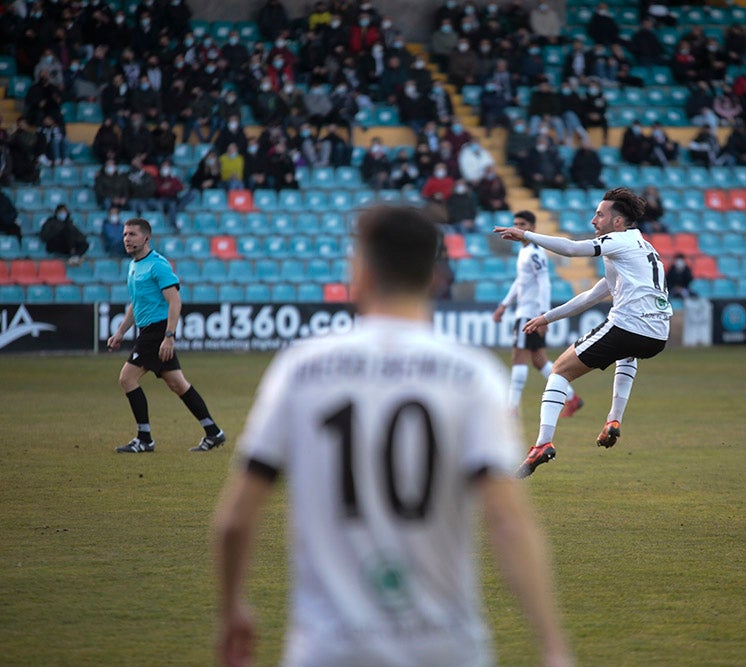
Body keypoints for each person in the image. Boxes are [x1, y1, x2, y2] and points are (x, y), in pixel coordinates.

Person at [212, 205, 573, 667]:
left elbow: (235, 520)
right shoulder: (471, 375)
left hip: (329, 650)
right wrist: (554, 649)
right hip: (445, 648)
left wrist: (231, 608)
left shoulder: (300, 370)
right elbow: (508, 522)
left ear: (358, 273)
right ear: (436, 279)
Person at [494, 187, 671, 477]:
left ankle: (542, 444)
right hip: (658, 335)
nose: (593, 220)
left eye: (600, 215)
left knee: (560, 371)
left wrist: (526, 235)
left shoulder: (617, 241)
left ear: (617, 222)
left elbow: (573, 249)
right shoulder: (643, 248)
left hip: (630, 324)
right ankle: (614, 420)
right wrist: (547, 317)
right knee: (629, 353)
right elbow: (591, 296)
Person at [107, 217, 226, 454]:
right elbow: (136, 304)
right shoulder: (133, 266)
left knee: (127, 379)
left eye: (132, 234)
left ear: (146, 238)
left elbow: (175, 301)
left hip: (157, 331)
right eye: (124, 235)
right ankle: (213, 432)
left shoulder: (158, 265)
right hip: (149, 330)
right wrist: (120, 332)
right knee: (177, 384)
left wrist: (168, 336)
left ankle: (144, 439)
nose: (127, 239)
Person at [493, 211, 582, 417]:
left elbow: (544, 283)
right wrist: (504, 304)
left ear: (532, 228)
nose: (517, 227)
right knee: (539, 360)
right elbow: (520, 281)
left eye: (522, 224)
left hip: (530, 313)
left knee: (518, 357)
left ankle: (512, 407)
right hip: (525, 311)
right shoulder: (524, 251)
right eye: (515, 224)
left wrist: (544, 316)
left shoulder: (535, 253)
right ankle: (571, 397)